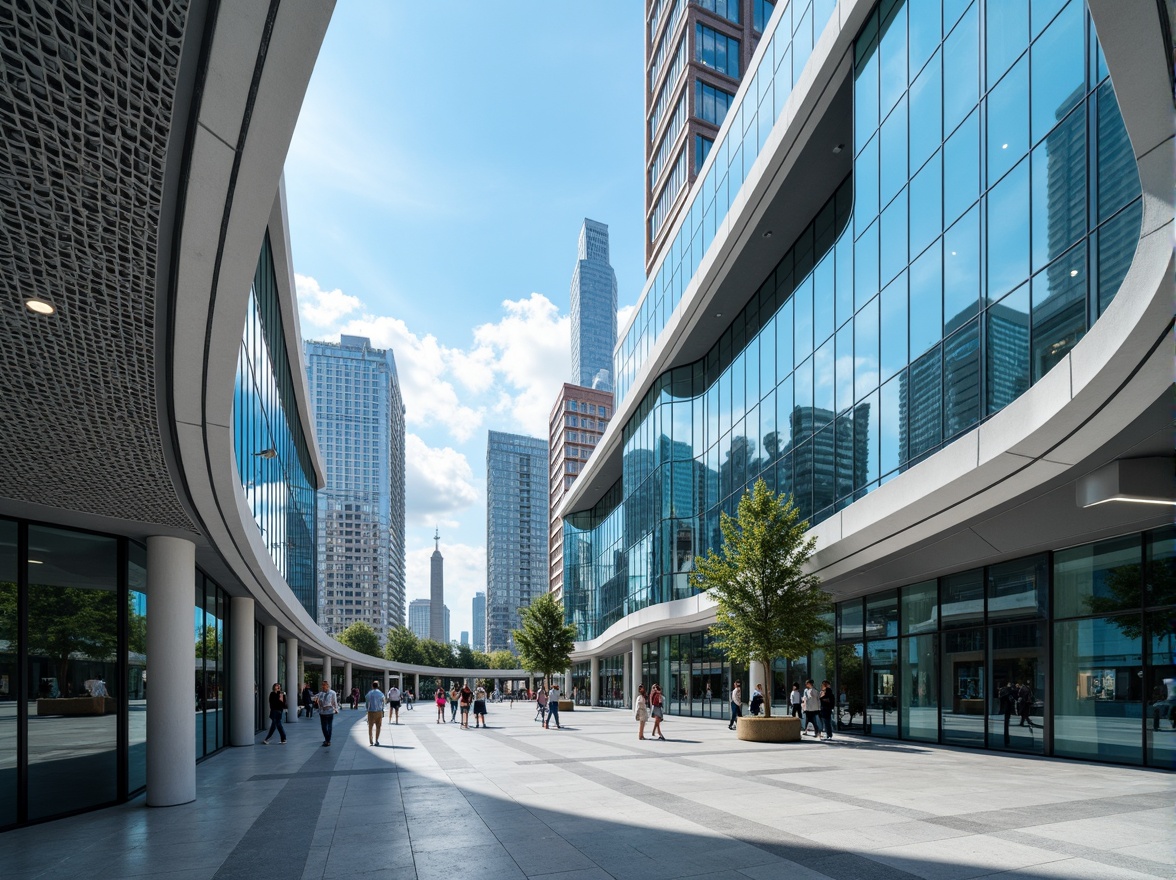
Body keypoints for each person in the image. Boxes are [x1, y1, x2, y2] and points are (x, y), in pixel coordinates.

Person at [315, 679, 339, 746]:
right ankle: (327, 739)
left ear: (327, 686)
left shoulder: (332, 693)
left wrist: (336, 709)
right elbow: (315, 698)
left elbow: (334, 702)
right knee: (323, 727)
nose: (322, 686)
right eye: (322, 685)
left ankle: (327, 740)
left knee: (329, 726)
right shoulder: (320, 693)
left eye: (324, 685)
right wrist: (316, 700)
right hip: (322, 712)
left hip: (329, 711)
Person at [365, 681, 385, 746]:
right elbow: (383, 701)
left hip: (370, 711)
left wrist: (367, 708)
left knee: (370, 726)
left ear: (372, 686)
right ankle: (376, 740)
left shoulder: (369, 693)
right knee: (378, 726)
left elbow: (367, 700)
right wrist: (382, 709)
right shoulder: (380, 693)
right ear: (378, 686)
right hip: (378, 712)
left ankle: (371, 740)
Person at [998, 680, 1015, 746]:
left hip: (1005, 709)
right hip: (1007, 709)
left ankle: (1006, 740)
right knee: (1006, 724)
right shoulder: (1008, 691)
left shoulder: (1004, 690)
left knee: (1006, 724)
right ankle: (1006, 740)